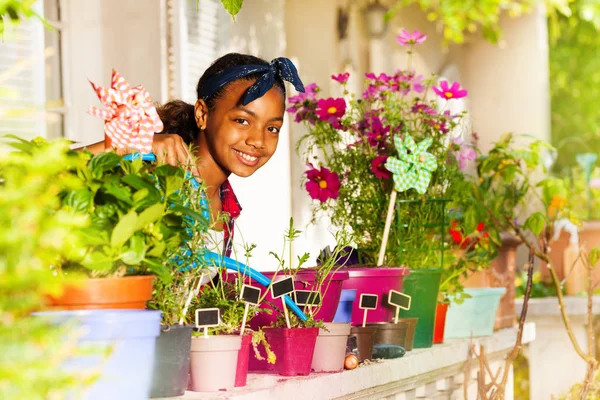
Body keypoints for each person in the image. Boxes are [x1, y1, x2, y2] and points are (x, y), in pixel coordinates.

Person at [80, 53, 305, 256]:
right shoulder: (152, 173)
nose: (258, 140)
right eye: (242, 121)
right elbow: (49, 167)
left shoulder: (226, 202)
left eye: (272, 128)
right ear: (202, 114)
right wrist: (128, 146)